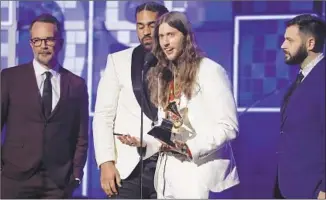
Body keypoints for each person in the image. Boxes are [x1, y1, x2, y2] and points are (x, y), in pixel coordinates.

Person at [145, 11, 239, 198]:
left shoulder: (209, 70)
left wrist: (190, 147)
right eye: (161, 36)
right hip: (168, 175)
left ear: (186, 36)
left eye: (171, 35)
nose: (165, 43)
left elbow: (229, 127)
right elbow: (172, 124)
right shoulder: (165, 76)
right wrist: (148, 141)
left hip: (199, 175)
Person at [1, 14, 89, 199]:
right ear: (31, 44)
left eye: (49, 39)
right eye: (37, 40)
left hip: (58, 182)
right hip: (14, 177)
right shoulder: (10, 78)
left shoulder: (76, 84)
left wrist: (77, 174)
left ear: (60, 43)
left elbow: (81, 136)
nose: (43, 45)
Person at [92, 2, 168, 198]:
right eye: (140, 26)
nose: (146, 32)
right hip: (128, 167)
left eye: (152, 25)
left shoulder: (180, 63)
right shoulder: (118, 61)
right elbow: (103, 116)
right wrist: (106, 162)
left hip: (171, 164)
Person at [274, 14, 326, 199]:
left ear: (310, 43)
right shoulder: (301, 77)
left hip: (313, 190)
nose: (283, 45)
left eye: (289, 40)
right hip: (289, 186)